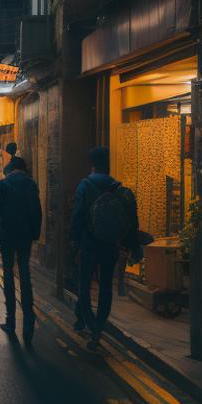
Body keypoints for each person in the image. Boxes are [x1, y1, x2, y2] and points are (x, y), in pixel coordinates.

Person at [70, 146, 139, 351]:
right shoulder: (116, 187)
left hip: (89, 244)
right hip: (110, 245)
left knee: (83, 286)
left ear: (91, 164)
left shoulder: (85, 185)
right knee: (106, 288)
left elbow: (77, 217)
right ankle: (98, 325)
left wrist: (74, 241)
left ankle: (91, 325)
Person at [0, 156, 42, 343]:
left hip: (8, 234)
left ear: (12, 168)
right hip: (25, 234)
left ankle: (11, 320)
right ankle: (28, 318)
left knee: (8, 275)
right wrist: (35, 233)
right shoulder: (31, 185)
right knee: (25, 273)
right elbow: (37, 210)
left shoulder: (4, 185)